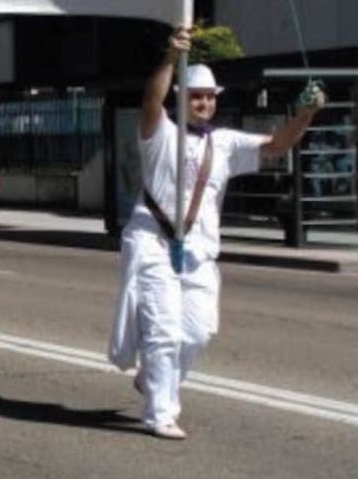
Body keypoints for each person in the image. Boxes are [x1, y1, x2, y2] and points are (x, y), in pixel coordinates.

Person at [109, 25, 326, 440]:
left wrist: (306, 113)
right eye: (196, 96)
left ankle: (151, 378)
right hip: (153, 240)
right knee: (163, 331)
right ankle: (160, 412)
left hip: (199, 250)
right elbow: (151, 100)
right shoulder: (161, 133)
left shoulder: (225, 142)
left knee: (197, 331)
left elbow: (277, 145)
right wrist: (171, 58)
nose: (204, 103)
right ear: (181, 99)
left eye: (209, 97)